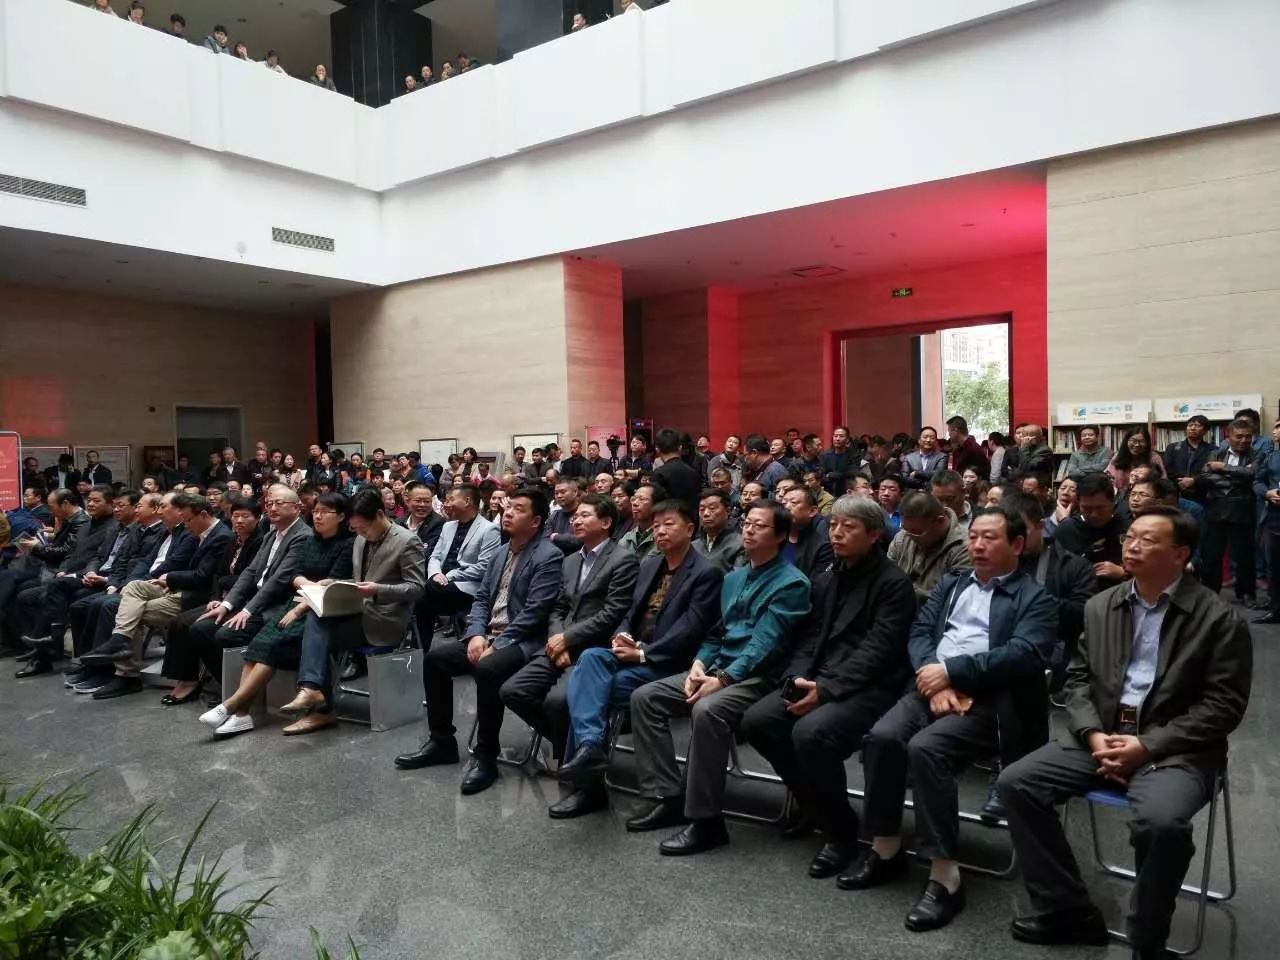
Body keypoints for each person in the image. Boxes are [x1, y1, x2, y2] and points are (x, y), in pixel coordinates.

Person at [998, 506, 1251, 959]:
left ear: (1180, 554)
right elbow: (1077, 680)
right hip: (1100, 736)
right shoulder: (1103, 605)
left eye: (1147, 540)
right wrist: (1094, 735)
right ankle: (1068, 910)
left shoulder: (1218, 619)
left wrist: (1146, 746)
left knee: (1162, 824)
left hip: (1175, 749)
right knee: (1017, 783)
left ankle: (1146, 941)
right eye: (1129, 537)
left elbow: (1223, 707)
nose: (1131, 546)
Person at [844, 505, 1057, 932]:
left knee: (928, 749)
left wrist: (953, 674)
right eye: (973, 536)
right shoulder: (952, 583)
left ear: (1017, 544)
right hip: (932, 687)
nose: (977, 545)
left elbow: (1024, 655)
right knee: (883, 737)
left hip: (991, 702)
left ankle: (945, 876)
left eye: (989, 537)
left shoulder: (1036, 598)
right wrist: (936, 681)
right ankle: (885, 847)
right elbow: (920, 632)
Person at [741, 495, 917, 878]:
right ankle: (818, 806)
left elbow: (877, 653)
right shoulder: (827, 576)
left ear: (874, 534)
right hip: (818, 676)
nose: (836, 533)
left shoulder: (893, 585)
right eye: (833, 525)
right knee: (759, 721)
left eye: (848, 527)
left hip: (869, 688)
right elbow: (807, 637)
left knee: (811, 733)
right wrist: (798, 677)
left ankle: (840, 834)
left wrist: (825, 689)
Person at [626, 501, 811, 855]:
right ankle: (669, 796)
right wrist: (699, 664)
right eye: (747, 523)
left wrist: (722, 679)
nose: (749, 530)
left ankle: (707, 821)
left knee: (708, 710)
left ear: (781, 536)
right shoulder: (733, 578)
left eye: (759, 526)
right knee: (646, 697)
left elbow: (765, 645)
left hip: (759, 677)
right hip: (718, 668)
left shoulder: (792, 583)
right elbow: (715, 634)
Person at [396, 489, 563, 796]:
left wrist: (495, 645)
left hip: (524, 641)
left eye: (518, 509)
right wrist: (475, 634)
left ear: (536, 521)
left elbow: (535, 613)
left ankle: (486, 755)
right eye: (508, 507)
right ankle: (442, 742)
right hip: (488, 636)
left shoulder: (548, 556)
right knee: (435, 660)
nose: (508, 512)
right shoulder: (501, 552)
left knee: (488, 668)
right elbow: (482, 598)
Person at [499, 494, 638, 784]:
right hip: (558, 645)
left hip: (591, 649)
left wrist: (567, 639)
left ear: (606, 522)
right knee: (513, 691)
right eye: (575, 517)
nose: (576, 521)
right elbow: (557, 608)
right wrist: (556, 639)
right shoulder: (571, 560)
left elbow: (612, 614)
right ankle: (574, 753)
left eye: (585, 515)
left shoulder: (623, 560)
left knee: (557, 701)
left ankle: (576, 769)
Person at [271, 490, 424, 735]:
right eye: (356, 529)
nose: (361, 534)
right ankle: (314, 693)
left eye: (364, 528)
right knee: (316, 619)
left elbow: (417, 588)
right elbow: (359, 579)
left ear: (380, 514)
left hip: (385, 618)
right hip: (358, 610)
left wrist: (378, 590)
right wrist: (333, 583)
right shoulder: (360, 540)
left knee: (317, 632)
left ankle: (317, 700)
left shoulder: (407, 541)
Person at [160, 487, 310, 699]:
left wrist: (247, 610)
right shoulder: (271, 535)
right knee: (198, 627)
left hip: (276, 605)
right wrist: (226, 604)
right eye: (269, 504)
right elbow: (250, 573)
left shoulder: (302, 536)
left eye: (279, 503)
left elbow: (277, 581)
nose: (273, 508)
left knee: (220, 633)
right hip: (252, 600)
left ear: (296, 507)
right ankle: (228, 688)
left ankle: (239, 693)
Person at [82, 493, 233, 699]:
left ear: (204, 515)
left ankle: (126, 674)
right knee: (134, 587)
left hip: (194, 595)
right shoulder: (198, 532)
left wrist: (169, 577)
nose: (185, 525)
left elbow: (204, 576)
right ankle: (119, 641)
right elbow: (147, 560)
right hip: (176, 587)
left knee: (126, 612)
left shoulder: (220, 536)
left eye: (188, 520)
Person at [413, 484, 501, 649]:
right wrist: (435, 574)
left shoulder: (489, 529)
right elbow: (435, 556)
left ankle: (417, 651)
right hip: (440, 584)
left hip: (467, 587)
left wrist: (450, 575)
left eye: (451, 500)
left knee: (421, 594)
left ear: (467, 501)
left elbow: (484, 567)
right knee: (422, 602)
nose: (446, 504)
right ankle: (420, 652)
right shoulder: (448, 526)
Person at [1197, 417, 1259, 604]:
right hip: (1215, 510)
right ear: (1229, 436)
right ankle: (1211, 593)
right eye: (1239, 436)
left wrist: (1223, 468)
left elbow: (1252, 474)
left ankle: (1246, 593)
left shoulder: (1257, 454)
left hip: (1242, 510)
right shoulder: (1215, 453)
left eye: (1248, 437)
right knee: (1211, 555)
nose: (1244, 440)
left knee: (1244, 556)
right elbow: (1204, 476)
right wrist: (1236, 478)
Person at [886, 492, 971, 602]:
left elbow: (953, 596)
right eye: (905, 529)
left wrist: (903, 590)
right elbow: (887, 577)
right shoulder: (902, 537)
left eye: (917, 532)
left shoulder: (965, 548)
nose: (910, 537)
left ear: (940, 521)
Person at [1052, 472, 1129, 590]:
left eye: (1100, 508)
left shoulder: (1127, 527)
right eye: (1087, 508)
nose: (1094, 514)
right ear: (1078, 504)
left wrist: (1122, 572)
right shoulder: (1066, 530)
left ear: (1113, 502)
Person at [781, 486, 833, 578]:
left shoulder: (823, 546)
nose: (787, 507)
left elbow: (818, 582)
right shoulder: (772, 535)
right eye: (784, 503)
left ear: (812, 511)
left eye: (793, 502)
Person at [693, 489, 745, 573]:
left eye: (712, 508)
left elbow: (738, 578)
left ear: (728, 511)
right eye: (702, 509)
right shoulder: (693, 546)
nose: (706, 513)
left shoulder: (740, 544)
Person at [1161, 415, 1212, 501]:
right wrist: (1181, 483)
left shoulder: (1212, 450)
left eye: (1197, 425)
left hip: (1202, 494)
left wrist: (1194, 481)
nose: (1192, 428)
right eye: (1190, 425)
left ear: (1205, 431)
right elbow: (1167, 470)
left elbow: (1211, 474)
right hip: (1176, 494)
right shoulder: (1172, 448)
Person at [653, 428, 701, 513]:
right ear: (680, 448)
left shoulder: (658, 474)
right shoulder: (693, 473)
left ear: (657, 449)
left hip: (667, 519)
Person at [1106, 426, 1166, 492]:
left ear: (1147, 443)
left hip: (1145, 495)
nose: (1137, 445)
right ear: (1126, 441)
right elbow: (1108, 477)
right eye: (1133, 441)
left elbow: (1162, 482)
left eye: (1141, 441)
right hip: (1119, 495)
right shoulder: (1118, 456)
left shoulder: (1154, 457)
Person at [619, 481, 664, 561]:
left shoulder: (663, 537)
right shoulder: (627, 537)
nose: (635, 503)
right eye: (633, 499)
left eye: (642, 499)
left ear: (656, 504)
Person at [545, 478, 584, 554]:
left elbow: (581, 540)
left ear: (575, 492)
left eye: (563, 492)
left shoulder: (584, 513)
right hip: (554, 556)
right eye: (556, 493)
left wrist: (556, 537)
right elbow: (546, 537)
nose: (559, 496)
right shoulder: (555, 515)